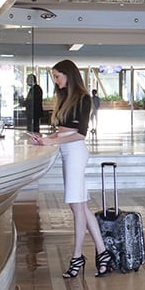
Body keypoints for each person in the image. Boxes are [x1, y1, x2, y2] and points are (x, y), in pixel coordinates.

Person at [27, 59, 112, 278]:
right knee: (80, 206)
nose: (56, 81)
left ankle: (77, 256)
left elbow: (80, 134)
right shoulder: (65, 98)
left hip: (75, 153)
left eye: (57, 76)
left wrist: (51, 140)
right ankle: (103, 252)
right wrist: (46, 139)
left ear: (69, 74)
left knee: (76, 206)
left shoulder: (83, 98)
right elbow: (63, 131)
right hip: (67, 152)